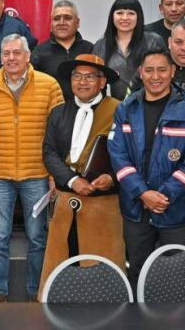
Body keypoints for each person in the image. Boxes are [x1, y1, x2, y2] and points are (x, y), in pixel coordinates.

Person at [0, 34, 63, 302]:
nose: (11, 58)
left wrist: (54, 175)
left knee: (37, 238)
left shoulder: (49, 85)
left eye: (17, 53)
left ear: (28, 56)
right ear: (0, 56)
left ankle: (34, 292)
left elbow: (58, 133)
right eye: (6, 53)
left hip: (36, 175)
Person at [108, 48, 185, 285]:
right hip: (136, 208)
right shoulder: (125, 108)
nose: (155, 76)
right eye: (149, 70)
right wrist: (142, 193)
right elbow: (117, 155)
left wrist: (163, 196)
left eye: (162, 69)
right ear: (141, 72)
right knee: (137, 271)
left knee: (176, 275)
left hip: (175, 208)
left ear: (173, 71)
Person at [39, 54, 124, 295]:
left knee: (103, 272)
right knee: (63, 267)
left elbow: (130, 153)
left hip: (104, 205)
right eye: (77, 76)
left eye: (90, 76)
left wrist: (112, 177)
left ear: (102, 81)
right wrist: (73, 180)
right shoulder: (58, 112)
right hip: (66, 203)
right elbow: (49, 152)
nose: (82, 82)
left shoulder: (119, 110)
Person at [93, 0, 165, 100]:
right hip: (113, 108)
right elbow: (94, 79)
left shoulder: (153, 41)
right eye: (120, 13)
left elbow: (163, 74)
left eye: (131, 13)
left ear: (138, 17)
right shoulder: (100, 46)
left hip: (148, 105)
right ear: (112, 16)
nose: (125, 18)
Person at [30, 0, 94, 101]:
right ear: (50, 24)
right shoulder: (39, 52)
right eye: (56, 19)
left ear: (77, 23)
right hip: (51, 113)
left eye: (67, 18)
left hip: (86, 112)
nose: (61, 22)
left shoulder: (90, 49)